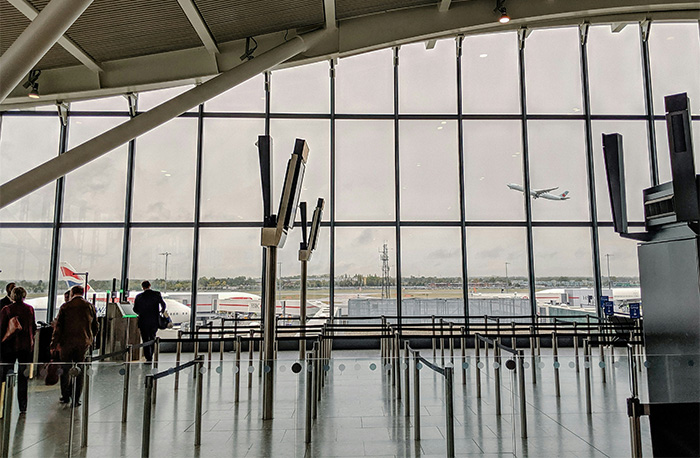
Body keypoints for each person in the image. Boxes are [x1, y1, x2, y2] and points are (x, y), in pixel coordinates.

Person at [50, 285, 98, 407]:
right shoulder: (89, 306)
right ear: (82, 293)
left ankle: (65, 396)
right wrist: (90, 338)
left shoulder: (65, 307)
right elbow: (96, 326)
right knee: (80, 370)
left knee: (65, 370)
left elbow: (58, 328)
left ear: (72, 293)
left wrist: (54, 344)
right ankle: (76, 398)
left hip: (67, 343)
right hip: (83, 343)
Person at [0, 286, 37, 413]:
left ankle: (4, 403)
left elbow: (1, 328)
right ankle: (23, 406)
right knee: (23, 378)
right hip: (25, 349)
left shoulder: (7, 309)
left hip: (9, 348)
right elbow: (33, 326)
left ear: (13, 296)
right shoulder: (30, 309)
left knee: (5, 376)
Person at [133, 281, 166, 362]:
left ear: (142, 287)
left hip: (143, 321)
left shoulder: (139, 296)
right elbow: (163, 305)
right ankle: (152, 353)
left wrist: (141, 313)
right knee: (152, 337)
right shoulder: (156, 294)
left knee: (145, 339)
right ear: (150, 285)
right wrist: (160, 312)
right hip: (154, 321)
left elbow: (135, 309)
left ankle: (148, 357)